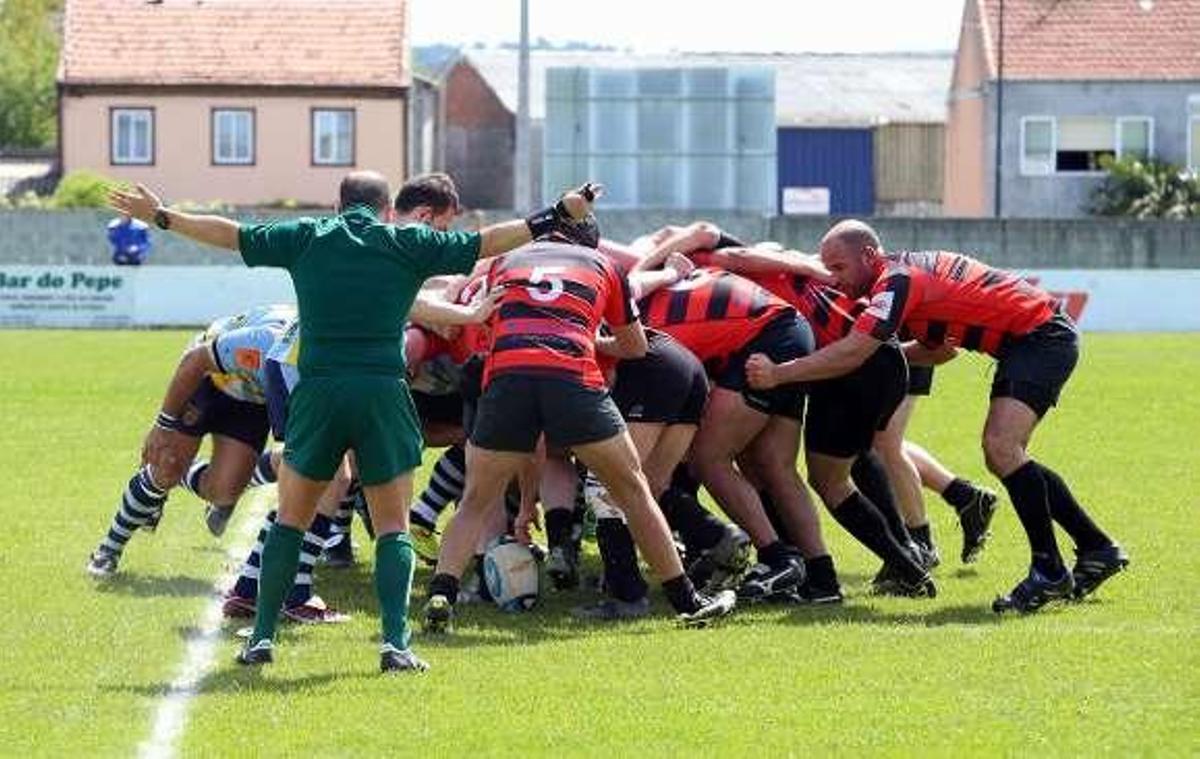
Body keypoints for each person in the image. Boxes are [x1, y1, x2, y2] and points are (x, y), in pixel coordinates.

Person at [108, 171, 601, 674]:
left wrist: (161, 216)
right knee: (392, 528)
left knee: (289, 522)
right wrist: (558, 214)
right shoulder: (406, 241)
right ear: (388, 209)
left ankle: (260, 639)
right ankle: (395, 645)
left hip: (318, 395)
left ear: (338, 206)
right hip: (382, 396)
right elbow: (488, 242)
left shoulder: (307, 236)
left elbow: (227, 233)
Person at [747, 220, 1128, 613]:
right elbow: (941, 351)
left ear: (868, 256)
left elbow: (855, 351)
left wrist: (780, 373)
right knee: (1007, 453)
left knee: (1001, 449)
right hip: (1034, 338)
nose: (833, 278)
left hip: (1041, 337)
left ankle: (1048, 570)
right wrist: (883, 353)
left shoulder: (895, 281)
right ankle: (1097, 547)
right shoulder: (900, 279)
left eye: (839, 267)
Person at [422, 216, 737, 632]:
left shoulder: (507, 261)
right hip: (571, 376)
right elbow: (635, 345)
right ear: (594, 244)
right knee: (633, 491)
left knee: (476, 501)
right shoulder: (604, 266)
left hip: (505, 376)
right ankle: (686, 601)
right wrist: (589, 338)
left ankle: (441, 597)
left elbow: (483, 316)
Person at [85, 304, 294, 577]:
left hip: (253, 400)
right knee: (166, 466)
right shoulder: (266, 341)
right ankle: (109, 549)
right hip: (207, 376)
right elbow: (196, 360)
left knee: (224, 492)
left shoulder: (326, 360)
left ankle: (181, 472)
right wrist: (163, 425)